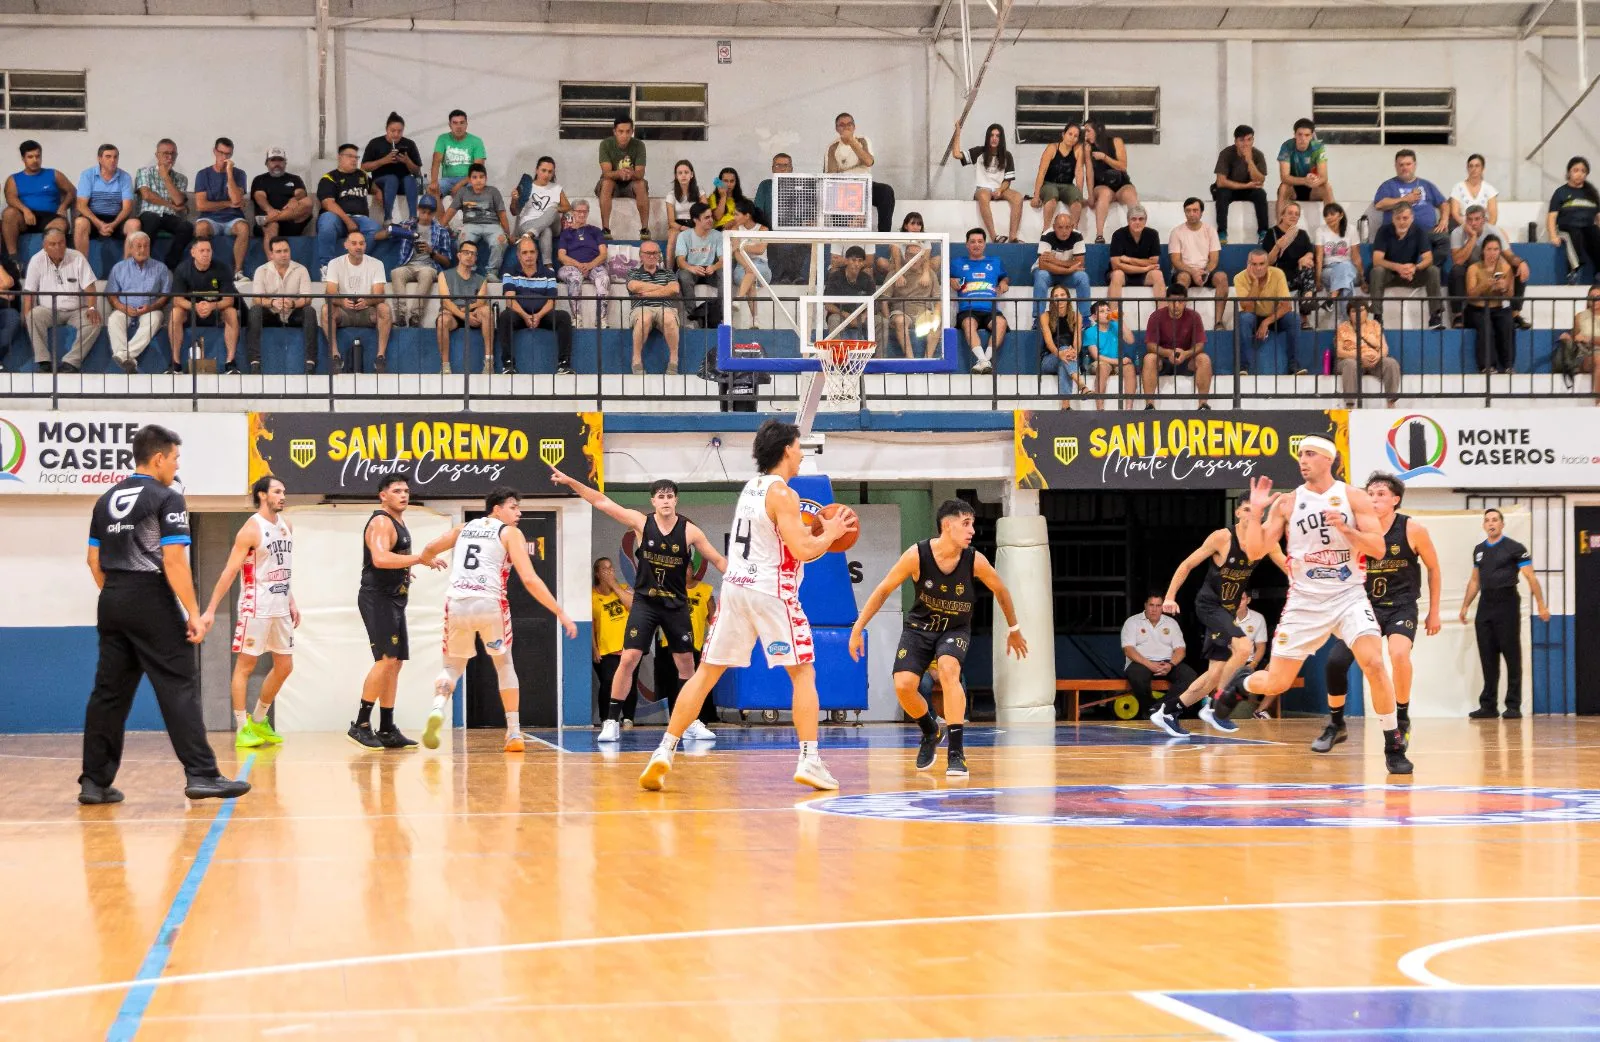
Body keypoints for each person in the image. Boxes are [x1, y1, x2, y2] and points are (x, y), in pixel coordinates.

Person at [638, 419, 856, 791]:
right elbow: (803, 551)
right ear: (787, 449)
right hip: (772, 591)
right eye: (800, 446)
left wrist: (813, 527)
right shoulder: (783, 494)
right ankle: (810, 759)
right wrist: (832, 533)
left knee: (706, 674)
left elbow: (785, 538)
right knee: (803, 673)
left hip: (736, 589)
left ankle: (664, 750)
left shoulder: (752, 488)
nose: (802, 453)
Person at [1217, 442, 1413, 774]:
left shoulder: (1354, 498)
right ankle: (1242, 685)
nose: (1302, 461)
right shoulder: (1288, 502)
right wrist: (1258, 513)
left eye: (1309, 455)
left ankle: (1393, 744)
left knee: (1375, 664)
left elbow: (1379, 548)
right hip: (1305, 602)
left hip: (1348, 595)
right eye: (1300, 456)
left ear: (1329, 459)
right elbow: (1253, 551)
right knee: (1276, 683)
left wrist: (1346, 529)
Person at [79, 424, 251, 804]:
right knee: (178, 686)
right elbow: (173, 562)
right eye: (174, 459)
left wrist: (117, 596)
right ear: (158, 459)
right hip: (150, 596)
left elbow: (93, 561)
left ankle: (94, 783)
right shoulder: (167, 497)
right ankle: (203, 775)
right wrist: (193, 612)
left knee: (109, 694)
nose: (176, 466)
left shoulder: (104, 500)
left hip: (112, 598)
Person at [547, 468, 727, 744]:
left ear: (676, 500)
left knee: (687, 665)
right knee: (628, 658)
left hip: (676, 606)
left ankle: (691, 721)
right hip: (646, 603)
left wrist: (745, 581)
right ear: (653, 501)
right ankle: (611, 721)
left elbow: (717, 559)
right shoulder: (641, 523)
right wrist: (572, 479)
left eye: (670, 496)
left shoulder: (690, 531)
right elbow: (601, 502)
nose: (665, 500)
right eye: (660, 496)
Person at [849, 498, 1027, 776]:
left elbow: (1001, 591)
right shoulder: (917, 555)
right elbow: (883, 590)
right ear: (947, 525)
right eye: (966, 524)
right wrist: (857, 628)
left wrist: (1014, 629)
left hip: (955, 629)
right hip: (920, 627)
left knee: (948, 669)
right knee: (904, 685)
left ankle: (956, 752)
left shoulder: (974, 560)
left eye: (973, 524)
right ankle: (930, 730)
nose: (972, 531)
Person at [420, 487, 578, 754]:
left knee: (452, 667)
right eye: (513, 507)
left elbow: (428, 549)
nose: (519, 512)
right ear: (496, 509)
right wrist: (560, 613)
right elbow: (529, 578)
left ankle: (437, 707)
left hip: (456, 603)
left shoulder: (463, 528)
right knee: (504, 664)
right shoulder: (509, 533)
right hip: (489, 603)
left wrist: (428, 560)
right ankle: (514, 731)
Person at [1319, 472, 1442, 750]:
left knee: (1398, 654)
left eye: (1381, 494)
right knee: (1336, 662)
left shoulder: (1412, 529)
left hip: (1401, 605)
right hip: (1364, 607)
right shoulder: (1356, 528)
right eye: (1370, 494)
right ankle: (1336, 722)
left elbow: (1434, 568)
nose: (1374, 499)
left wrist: (1434, 611)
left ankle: (1402, 715)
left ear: (1395, 500)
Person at [1149, 505, 1285, 737]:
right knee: (1244, 647)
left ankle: (1169, 711)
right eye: (1248, 509)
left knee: (1214, 674)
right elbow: (1187, 564)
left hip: (1228, 612)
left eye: (1259, 510)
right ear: (1239, 513)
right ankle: (1217, 706)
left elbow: (1288, 566)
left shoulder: (1267, 541)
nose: (1254, 514)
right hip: (1210, 605)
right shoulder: (1222, 537)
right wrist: (1170, 597)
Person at [199, 474, 299, 749]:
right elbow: (230, 571)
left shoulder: (286, 525)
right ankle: (243, 727)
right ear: (263, 495)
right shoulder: (250, 529)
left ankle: (259, 719)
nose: (282, 496)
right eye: (277, 491)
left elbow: (282, 567)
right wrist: (209, 610)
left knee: (285, 665)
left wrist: (291, 601)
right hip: (255, 606)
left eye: (284, 491)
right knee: (246, 665)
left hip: (279, 606)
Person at [350, 474, 445, 750]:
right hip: (377, 599)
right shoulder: (381, 521)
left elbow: (392, 558)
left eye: (406, 490)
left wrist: (406, 570)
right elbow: (380, 559)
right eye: (396, 491)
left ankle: (387, 727)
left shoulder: (399, 521)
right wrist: (420, 558)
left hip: (394, 598)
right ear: (383, 496)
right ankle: (360, 724)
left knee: (396, 662)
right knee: (386, 659)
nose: (404, 494)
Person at [1460, 508, 1550, 719]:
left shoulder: (1514, 548)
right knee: (1487, 656)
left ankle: (1513, 705)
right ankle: (1488, 705)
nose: (1491, 523)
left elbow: (1531, 578)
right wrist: (1465, 606)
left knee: (1511, 655)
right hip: (1485, 605)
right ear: (1484, 525)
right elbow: (1475, 580)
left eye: (1495, 520)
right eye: (1487, 520)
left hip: (1507, 603)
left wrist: (1541, 604)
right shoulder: (1479, 550)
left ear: (1502, 524)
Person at [23, 226, 101, 373]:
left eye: (61, 243)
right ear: (44, 246)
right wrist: (26, 315)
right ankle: (44, 361)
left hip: (77, 310)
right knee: (32, 315)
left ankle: (71, 362)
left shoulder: (77, 257)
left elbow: (90, 287)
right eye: (53, 244)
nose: (58, 247)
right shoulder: (36, 260)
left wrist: (92, 308)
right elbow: (30, 292)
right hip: (48, 310)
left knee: (94, 322)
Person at [653, 571, 721, 733]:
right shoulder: (669, 589)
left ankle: (699, 719)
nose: (686, 571)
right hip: (671, 644)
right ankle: (676, 720)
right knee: (673, 685)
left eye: (688, 567)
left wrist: (714, 640)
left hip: (695, 645)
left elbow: (713, 619)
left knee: (697, 685)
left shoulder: (705, 590)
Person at [500, 235, 574, 376]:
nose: (529, 256)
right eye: (525, 252)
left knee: (564, 317)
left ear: (537, 253)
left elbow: (552, 300)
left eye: (532, 252)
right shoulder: (509, 272)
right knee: (505, 316)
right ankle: (508, 364)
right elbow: (509, 299)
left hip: (542, 315)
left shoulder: (548, 274)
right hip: (520, 315)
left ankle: (563, 364)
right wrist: (525, 316)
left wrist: (538, 316)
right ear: (518, 255)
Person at [1449, 205, 1530, 331]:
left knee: (1518, 268)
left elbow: (1509, 255)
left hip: (1491, 268)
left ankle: (1515, 314)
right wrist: (1472, 238)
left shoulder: (1494, 231)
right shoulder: (1457, 233)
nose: (1473, 223)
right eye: (1469, 219)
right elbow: (1458, 260)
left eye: (1477, 219)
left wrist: (1522, 263)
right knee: (1456, 271)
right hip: (1469, 269)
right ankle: (1458, 315)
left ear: (1484, 219)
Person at [167, 237, 240, 373]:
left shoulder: (222, 268)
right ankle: (175, 363)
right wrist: (196, 307)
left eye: (208, 250)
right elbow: (177, 300)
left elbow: (229, 300)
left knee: (231, 312)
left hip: (215, 311)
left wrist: (211, 306)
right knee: (175, 313)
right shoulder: (183, 269)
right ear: (193, 252)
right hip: (191, 312)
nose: (206, 254)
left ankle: (230, 363)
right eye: (202, 250)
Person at [247, 235, 318, 375]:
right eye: (279, 252)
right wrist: (272, 302)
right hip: (271, 313)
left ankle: (311, 361)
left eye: (286, 251)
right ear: (271, 254)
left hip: (293, 313)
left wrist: (293, 303)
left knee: (309, 311)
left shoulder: (301, 269)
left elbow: (307, 298)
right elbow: (257, 298)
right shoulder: (261, 270)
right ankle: (254, 362)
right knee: (255, 310)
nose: (283, 255)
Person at [323, 229, 391, 373]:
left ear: (365, 246)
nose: (358, 247)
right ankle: (335, 356)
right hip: (344, 311)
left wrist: (366, 302)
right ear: (346, 245)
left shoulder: (376, 264)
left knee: (384, 309)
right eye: (354, 243)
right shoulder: (334, 263)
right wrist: (342, 302)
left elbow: (379, 294)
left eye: (361, 243)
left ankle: (380, 357)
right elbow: (330, 291)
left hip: (368, 311)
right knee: (325, 309)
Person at [1369, 202, 1445, 331]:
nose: (1402, 222)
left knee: (1433, 270)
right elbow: (1377, 260)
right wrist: (1398, 267)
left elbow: (1428, 259)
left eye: (1405, 218)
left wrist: (1414, 268)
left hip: (1411, 274)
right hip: (1390, 275)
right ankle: (1377, 317)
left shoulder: (1419, 232)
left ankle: (1435, 316)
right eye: (1398, 218)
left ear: (1412, 218)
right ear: (1393, 218)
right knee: (1377, 271)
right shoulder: (1384, 231)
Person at [1121, 593, 1199, 717]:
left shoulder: (1171, 623)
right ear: (1145, 605)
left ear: (1162, 607)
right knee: (1137, 676)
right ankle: (1150, 710)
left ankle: (1159, 708)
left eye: (1158, 605)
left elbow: (1180, 650)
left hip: (1167, 662)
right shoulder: (1132, 622)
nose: (1154, 609)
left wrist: (1171, 664)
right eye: (1151, 605)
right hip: (1141, 662)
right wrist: (1149, 664)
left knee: (1190, 676)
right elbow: (1129, 650)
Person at [103, 231, 171, 374]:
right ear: (131, 248)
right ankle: (127, 358)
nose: (142, 250)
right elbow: (111, 294)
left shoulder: (161, 268)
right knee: (114, 319)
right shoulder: (119, 268)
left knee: (155, 318)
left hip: (150, 309)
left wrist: (150, 307)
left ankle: (124, 356)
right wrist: (122, 307)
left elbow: (165, 296)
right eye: (138, 246)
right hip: (124, 308)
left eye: (145, 246)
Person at [314, 143, 385, 277]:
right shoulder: (329, 178)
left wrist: (378, 191)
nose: (354, 160)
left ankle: (353, 264)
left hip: (360, 219)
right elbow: (328, 204)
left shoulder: (362, 176)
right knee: (327, 221)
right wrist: (348, 221)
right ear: (340, 158)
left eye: (356, 157)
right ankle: (327, 267)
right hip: (338, 219)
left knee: (375, 229)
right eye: (350, 156)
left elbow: (373, 186)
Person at [1375, 149, 1449, 273]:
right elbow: (1379, 204)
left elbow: (1444, 203)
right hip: (1398, 233)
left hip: (1425, 233)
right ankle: (1412, 270)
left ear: (1415, 165)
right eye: (1401, 165)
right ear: (1396, 166)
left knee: (1444, 239)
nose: (1404, 168)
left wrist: (1444, 219)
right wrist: (1404, 199)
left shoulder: (1426, 185)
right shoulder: (1388, 185)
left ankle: (1422, 270)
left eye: (1408, 164)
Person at [1232, 248, 1302, 376]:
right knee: (1244, 318)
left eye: (1262, 264)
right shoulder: (1239, 278)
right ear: (1248, 264)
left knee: (1294, 318)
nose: (1258, 268)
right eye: (1254, 264)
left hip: (1273, 317)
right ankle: (1243, 367)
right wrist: (1255, 283)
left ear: (1267, 264)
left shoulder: (1278, 274)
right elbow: (1248, 308)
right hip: (1252, 316)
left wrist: (1266, 322)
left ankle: (1294, 366)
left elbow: (1287, 306)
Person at [1142, 286, 1213, 409]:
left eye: (1180, 301)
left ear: (1185, 301)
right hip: (1163, 360)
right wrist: (1168, 353)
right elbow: (1150, 345)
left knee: (1204, 359)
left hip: (1186, 359)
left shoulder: (1194, 316)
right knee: (1149, 358)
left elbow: (1200, 344)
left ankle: (1203, 404)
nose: (1176, 305)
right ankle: (1149, 405)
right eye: (1172, 301)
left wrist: (1186, 353)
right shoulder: (1156, 316)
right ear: (1167, 301)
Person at [2, 139, 75, 258]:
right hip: (25, 218)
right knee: (8, 213)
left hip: (51, 217)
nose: (35, 160)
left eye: (38, 156)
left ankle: (48, 262)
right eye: (30, 157)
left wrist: (63, 207)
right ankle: (13, 259)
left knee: (58, 225)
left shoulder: (53, 174)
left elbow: (72, 191)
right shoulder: (14, 179)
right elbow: (10, 198)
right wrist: (25, 210)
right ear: (23, 158)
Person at [389, 197, 454, 328]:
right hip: (407, 265)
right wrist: (397, 230)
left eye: (430, 213)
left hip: (429, 266)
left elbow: (447, 263)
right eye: (423, 212)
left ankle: (415, 316)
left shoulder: (441, 231)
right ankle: (400, 316)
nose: (425, 216)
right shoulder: (408, 225)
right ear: (418, 210)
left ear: (434, 213)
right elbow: (380, 235)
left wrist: (431, 252)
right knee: (396, 272)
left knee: (426, 274)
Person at [824, 112, 894, 233]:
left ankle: (884, 234)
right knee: (833, 194)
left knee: (886, 191)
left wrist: (851, 141)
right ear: (836, 129)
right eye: (842, 125)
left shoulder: (862, 140)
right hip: (844, 187)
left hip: (865, 184)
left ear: (854, 127)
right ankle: (841, 236)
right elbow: (831, 175)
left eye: (849, 124)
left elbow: (868, 161)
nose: (846, 127)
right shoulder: (832, 147)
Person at [192, 137, 250, 280]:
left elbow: (236, 199)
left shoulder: (239, 174)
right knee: (201, 228)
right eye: (221, 153)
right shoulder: (203, 174)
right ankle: (203, 269)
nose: (224, 157)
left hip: (233, 218)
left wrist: (229, 174)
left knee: (243, 228)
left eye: (228, 154)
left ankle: (238, 272)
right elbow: (201, 205)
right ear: (214, 151)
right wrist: (228, 204)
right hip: (210, 219)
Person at [951, 227, 1008, 375]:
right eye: (973, 242)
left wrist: (1003, 282)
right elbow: (946, 277)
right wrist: (951, 280)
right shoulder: (957, 263)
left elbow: (1004, 277)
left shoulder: (995, 262)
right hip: (968, 309)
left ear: (984, 244)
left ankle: (984, 361)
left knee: (1001, 323)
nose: (976, 244)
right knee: (969, 324)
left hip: (991, 309)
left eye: (980, 241)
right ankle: (984, 361)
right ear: (967, 244)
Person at [954, 123, 1022, 243]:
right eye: (991, 135)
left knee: (1018, 197)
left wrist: (1000, 190)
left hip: (999, 188)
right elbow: (956, 154)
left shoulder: (1007, 155)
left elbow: (1007, 180)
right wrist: (958, 132)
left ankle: (1013, 237)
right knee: (983, 195)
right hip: (982, 188)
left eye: (997, 136)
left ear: (1001, 139)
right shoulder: (980, 151)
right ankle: (994, 236)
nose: (994, 138)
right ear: (987, 137)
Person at [1168, 197, 1228, 329]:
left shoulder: (1210, 230)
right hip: (1184, 271)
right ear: (1184, 212)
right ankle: (1180, 322)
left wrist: (1205, 273)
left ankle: (1218, 322)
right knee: (1183, 278)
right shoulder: (1176, 232)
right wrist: (1193, 272)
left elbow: (1214, 259)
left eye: (1195, 210)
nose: (1191, 213)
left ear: (1201, 212)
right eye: (1188, 210)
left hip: (1205, 270)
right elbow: (1176, 261)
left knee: (1222, 278)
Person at [591, 558, 638, 727]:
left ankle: (628, 717)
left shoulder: (624, 589)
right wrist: (594, 648)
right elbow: (591, 625)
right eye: (604, 569)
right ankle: (607, 719)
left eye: (611, 568)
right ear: (597, 573)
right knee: (608, 683)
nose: (609, 571)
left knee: (629, 683)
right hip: (605, 648)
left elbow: (633, 606)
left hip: (628, 646)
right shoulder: (592, 596)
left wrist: (614, 585)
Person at [133, 139, 194, 269]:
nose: (170, 157)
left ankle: (169, 266)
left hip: (169, 216)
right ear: (157, 155)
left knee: (187, 227)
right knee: (153, 219)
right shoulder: (144, 172)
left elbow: (178, 200)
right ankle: (144, 263)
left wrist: (165, 176)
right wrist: (171, 205)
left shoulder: (181, 178)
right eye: (166, 153)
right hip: (148, 213)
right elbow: (147, 195)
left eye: (173, 154)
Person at [435, 239, 493, 375]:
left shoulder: (481, 279)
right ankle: (445, 366)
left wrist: (466, 310)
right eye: (466, 252)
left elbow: (480, 301)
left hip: (473, 313)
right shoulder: (444, 275)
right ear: (459, 255)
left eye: (473, 254)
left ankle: (489, 362)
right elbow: (446, 302)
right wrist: (463, 315)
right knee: (443, 320)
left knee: (486, 311)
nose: (469, 256)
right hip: (452, 314)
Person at [74, 143, 139, 261]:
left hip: (116, 218)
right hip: (93, 218)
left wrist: (113, 225)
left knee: (134, 224)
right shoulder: (88, 175)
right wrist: (99, 224)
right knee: (80, 223)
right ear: (99, 159)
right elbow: (81, 205)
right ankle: (81, 270)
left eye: (115, 157)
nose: (113, 160)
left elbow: (127, 208)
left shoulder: (125, 177)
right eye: (108, 157)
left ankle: (126, 270)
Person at [626, 239, 681, 375]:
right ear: (641, 256)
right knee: (645, 317)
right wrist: (663, 289)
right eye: (648, 253)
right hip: (641, 309)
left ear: (659, 255)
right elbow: (633, 286)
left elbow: (674, 289)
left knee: (669, 318)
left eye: (655, 253)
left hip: (665, 308)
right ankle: (636, 359)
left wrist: (646, 293)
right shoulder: (633, 272)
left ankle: (674, 360)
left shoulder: (668, 272)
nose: (652, 256)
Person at [444, 163, 509, 274]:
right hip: (470, 225)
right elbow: (450, 212)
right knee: (463, 241)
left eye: (481, 177)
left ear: (486, 178)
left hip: (492, 225)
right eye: (474, 177)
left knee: (500, 241)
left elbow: (502, 214)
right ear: (469, 179)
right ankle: (469, 270)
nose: (478, 180)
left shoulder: (493, 191)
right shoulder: (463, 192)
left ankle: (492, 272)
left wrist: (507, 233)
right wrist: (441, 225)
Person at [1466, 235, 1518, 374]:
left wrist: (1504, 288)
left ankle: (1508, 364)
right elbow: (1470, 295)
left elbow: (1510, 295)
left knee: (1508, 324)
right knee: (1486, 327)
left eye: (1496, 249)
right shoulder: (1474, 268)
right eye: (1489, 249)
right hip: (1478, 309)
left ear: (1500, 251)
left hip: (1499, 308)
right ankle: (1487, 365)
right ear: (1483, 251)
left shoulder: (1506, 268)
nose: (1492, 253)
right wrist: (1483, 285)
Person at [1335, 296, 1399, 407]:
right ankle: (1350, 405)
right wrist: (1359, 356)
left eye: (1361, 310)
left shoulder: (1375, 325)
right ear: (1349, 314)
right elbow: (1340, 352)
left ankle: (1391, 403)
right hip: (1352, 361)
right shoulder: (1343, 327)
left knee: (1391, 363)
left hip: (1374, 361)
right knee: (1350, 364)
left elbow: (1384, 348)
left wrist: (1378, 357)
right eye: (1354, 311)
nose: (1358, 314)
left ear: (1367, 312)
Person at [887, 227, 941, 359]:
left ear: (923, 258)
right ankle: (911, 361)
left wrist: (937, 316)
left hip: (923, 313)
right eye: (911, 255)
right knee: (900, 321)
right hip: (902, 312)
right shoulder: (895, 274)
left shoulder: (931, 274)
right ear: (905, 256)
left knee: (937, 323)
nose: (914, 259)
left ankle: (927, 361)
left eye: (918, 256)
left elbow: (938, 299)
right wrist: (887, 318)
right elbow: (883, 299)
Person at [556, 199, 610, 328]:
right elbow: (561, 256)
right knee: (574, 278)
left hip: (594, 265)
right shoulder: (566, 233)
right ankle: (576, 318)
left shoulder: (595, 231)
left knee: (604, 278)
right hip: (571, 266)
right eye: (579, 211)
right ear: (573, 213)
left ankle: (601, 319)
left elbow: (603, 254)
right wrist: (578, 265)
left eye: (585, 212)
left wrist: (590, 265)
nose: (582, 214)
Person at [1212, 124, 1270, 244]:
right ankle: (1222, 233)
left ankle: (1263, 232)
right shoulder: (1226, 153)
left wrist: (1250, 161)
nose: (1246, 143)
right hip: (1229, 189)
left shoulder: (1258, 155)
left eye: (1249, 139)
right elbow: (1221, 182)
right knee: (1221, 193)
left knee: (1261, 194)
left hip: (1249, 190)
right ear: (1236, 141)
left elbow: (1260, 180)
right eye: (1242, 140)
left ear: (1253, 140)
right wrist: (1246, 185)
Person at [1083, 120, 1137, 244]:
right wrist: (1090, 195)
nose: (1085, 134)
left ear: (1098, 130)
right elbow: (1089, 172)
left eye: (1088, 131)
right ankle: (1099, 235)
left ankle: (1137, 231)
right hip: (1101, 185)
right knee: (1105, 194)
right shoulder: (1087, 147)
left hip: (1121, 183)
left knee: (1131, 195)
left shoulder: (1116, 141)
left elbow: (1123, 166)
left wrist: (1104, 157)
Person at [362, 113, 423, 223]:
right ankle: (388, 218)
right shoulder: (375, 143)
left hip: (403, 183)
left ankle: (413, 217)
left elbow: (417, 171)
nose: (396, 134)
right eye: (393, 130)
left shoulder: (409, 144)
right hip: (382, 182)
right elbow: (364, 167)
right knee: (391, 178)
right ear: (386, 129)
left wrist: (407, 160)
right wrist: (384, 160)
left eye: (400, 131)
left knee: (410, 179)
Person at [1548, 156, 1600, 284]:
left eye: (1583, 171)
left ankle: (1598, 272)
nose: (1579, 174)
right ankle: (1575, 269)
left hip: (1587, 227)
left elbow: (1598, 216)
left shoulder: (1591, 193)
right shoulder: (1561, 192)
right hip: (1567, 228)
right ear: (1569, 173)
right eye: (1576, 170)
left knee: (1595, 234)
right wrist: (1553, 235)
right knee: (1575, 233)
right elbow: (1552, 217)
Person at [509, 156, 569, 266]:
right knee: (545, 230)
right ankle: (548, 266)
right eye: (544, 170)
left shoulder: (557, 188)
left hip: (552, 223)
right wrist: (514, 200)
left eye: (550, 172)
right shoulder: (527, 186)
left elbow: (567, 207)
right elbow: (514, 212)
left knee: (552, 209)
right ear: (537, 170)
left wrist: (556, 209)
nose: (547, 174)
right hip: (528, 224)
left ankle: (530, 234)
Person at [597, 116, 650, 240]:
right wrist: (619, 173)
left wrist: (631, 174)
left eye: (628, 132)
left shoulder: (639, 145)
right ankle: (605, 229)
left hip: (631, 184)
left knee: (641, 183)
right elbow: (606, 173)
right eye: (621, 131)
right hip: (612, 184)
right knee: (607, 182)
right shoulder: (605, 144)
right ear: (614, 131)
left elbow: (640, 173)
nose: (624, 135)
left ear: (632, 132)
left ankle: (645, 229)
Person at [1031, 210, 1091, 319]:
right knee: (1041, 275)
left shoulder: (1077, 236)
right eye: (1060, 227)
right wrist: (1068, 269)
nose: (1064, 231)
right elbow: (1043, 265)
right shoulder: (1047, 235)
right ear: (1054, 227)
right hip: (1049, 273)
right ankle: (1038, 318)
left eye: (1068, 227)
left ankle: (1085, 318)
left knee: (1083, 277)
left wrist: (1055, 261)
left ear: (1072, 227)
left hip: (1066, 274)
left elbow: (1080, 263)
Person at [1107, 204, 1165, 313]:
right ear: (1128, 221)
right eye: (1133, 219)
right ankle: (1114, 317)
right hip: (1123, 274)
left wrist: (1129, 260)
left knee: (1158, 274)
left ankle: (1161, 315)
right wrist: (1145, 268)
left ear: (1145, 221)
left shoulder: (1152, 234)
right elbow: (1116, 265)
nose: (1137, 222)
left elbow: (1154, 261)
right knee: (1117, 274)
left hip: (1144, 275)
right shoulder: (1118, 234)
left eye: (1141, 219)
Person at [1262, 200, 1316, 315]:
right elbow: (1268, 262)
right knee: (1307, 275)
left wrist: (1305, 257)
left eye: (1297, 214)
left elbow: (1310, 252)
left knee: (1308, 267)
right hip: (1279, 277)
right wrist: (1277, 246)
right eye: (1290, 213)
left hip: (1297, 274)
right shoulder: (1272, 233)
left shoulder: (1302, 234)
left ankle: (1306, 303)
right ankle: (1304, 312)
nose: (1293, 216)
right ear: (1282, 215)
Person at [1030, 123, 1086, 232]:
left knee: (1076, 201)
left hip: (1067, 185)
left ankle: (1074, 230)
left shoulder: (1078, 150)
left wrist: (1080, 194)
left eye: (1075, 136)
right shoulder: (1052, 148)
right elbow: (1041, 172)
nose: (1072, 138)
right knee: (1052, 196)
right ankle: (1046, 230)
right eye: (1070, 134)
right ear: (1063, 134)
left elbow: (1079, 173)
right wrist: (1036, 196)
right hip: (1049, 184)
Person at [674, 202, 723, 326]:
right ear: (696, 220)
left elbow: (723, 259)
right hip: (692, 267)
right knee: (684, 275)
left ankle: (722, 314)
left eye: (711, 216)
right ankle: (692, 315)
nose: (711, 220)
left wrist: (715, 266)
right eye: (707, 217)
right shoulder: (684, 236)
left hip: (710, 268)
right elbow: (680, 261)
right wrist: (691, 268)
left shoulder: (717, 235)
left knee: (724, 273)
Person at [250, 147, 313, 242]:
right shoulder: (260, 179)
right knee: (273, 225)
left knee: (308, 201)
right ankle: (272, 257)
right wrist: (270, 210)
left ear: (285, 163)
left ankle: (268, 219)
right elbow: (259, 196)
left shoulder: (295, 178)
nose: (277, 164)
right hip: (269, 222)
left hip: (291, 221)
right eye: (273, 160)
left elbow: (301, 193)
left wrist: (294, 199)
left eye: (280, 160)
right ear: (266, 163)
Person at [1082, 298, 1136, 409]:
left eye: (1107, 310)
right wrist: (1119, 361)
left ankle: (1129, 408)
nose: (1106, 313)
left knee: (1129, 368)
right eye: (1101, 311)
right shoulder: (1090, 331)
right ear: (1094, 317)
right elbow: (1096, 356)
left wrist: (1120, 321)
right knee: (1103, 367)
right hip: (1100, 362)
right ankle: (1100, 408)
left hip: (1117, 362)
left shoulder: (1115, 326)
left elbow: (1130, 340)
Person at [1037, 285, 1084, 408]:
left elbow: (1077, 339)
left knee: (1065, 361)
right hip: (1049, 359)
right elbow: (1049, 342)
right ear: (1052, 300)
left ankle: (1065, 407)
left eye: (1062, 295)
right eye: (1056, 296)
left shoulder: (1076, 316)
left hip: (1068, 358)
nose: (1059, 298)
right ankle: (1081, 384)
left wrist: (1074, 352)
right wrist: (1060, 353)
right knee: (1063, 352)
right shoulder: (1045, 316)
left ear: (1068, 297)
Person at [429, 109, 486, 205]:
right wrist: (434, 182)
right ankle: (441, 220)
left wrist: (459, 185)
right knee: (432, 193)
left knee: (475, 187)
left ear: (466, 124)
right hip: (447, 179)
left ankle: (470, 218)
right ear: (450, 125)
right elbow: (436, 162)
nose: (458, 126)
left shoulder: (476, 141)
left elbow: (478, 170)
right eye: (455, 123)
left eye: (462, 123)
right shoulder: (442, 139)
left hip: (469, 179)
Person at [1277, 118, 1333, 212]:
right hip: (1293, 189)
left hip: (1312, 189)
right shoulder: (1287, 146)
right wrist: (1304, 180)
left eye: (1307, 135)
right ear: (1294, 134)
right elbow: (1284, 177)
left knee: (1327, 187)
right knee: (1283, 187)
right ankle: (1279, 225)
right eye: (1300, 134)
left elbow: (1324, 177)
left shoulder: (1318, 147)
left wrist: (1314, 181)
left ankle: (1334, 224)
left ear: (1311, 136)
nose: (1303, 139)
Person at [1555, 285, 1600, 399]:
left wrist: (1589, 338)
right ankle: (1598, 402)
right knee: (1598, 360)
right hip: (1586, 355)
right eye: (1592, 297)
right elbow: (1576, 338)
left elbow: (1585, 338)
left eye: (1598, 297)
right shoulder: (1580, 316)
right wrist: (1568, 338)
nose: (1595, 300)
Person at [822, 245, 875, 341]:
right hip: (841, 316)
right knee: (834, 319)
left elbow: (874, 303)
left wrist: (864, 315)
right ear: (846, 261)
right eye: (853, 260)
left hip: (860, 317)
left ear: (863, 263)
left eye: (860, 261)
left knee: (880, 321)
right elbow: (828, 305)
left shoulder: (867, 279)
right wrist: (845, 315)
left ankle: (878, 356)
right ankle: (837, 353)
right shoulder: (835, 277)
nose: (856, 264)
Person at [1315, 202, 1364, 301]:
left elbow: (1356, 257)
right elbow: (1319, 258)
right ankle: (1346, 315)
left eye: (1332, 214)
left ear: (1341, 215)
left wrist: (1363, 279)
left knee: (1345, 266)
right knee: (1346, 279)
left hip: (1350, 268)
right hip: (1328, 270)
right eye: (1326, 215)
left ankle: (1333, 295)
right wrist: (1318, 280)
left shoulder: (1351, 230)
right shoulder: (1320, 231)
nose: (1328, 217)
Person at [665, 160, 703, 268]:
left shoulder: (700, 192)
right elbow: (671, 221)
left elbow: (705, 213)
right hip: (678, 225)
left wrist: (696, 227)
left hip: (696, 223)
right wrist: (682, 228)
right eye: (680, 173)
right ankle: (669, 271)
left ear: (692, 174)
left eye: (686, 172)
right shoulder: (671, 195)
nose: (683, 175)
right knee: (673, 236)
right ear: (676, 176)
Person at [1449, 153, 1499, 227]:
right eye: (1471, 166)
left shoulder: (1489, 189)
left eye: (1477, 166)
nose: (1474, 169)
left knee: (1502, 234)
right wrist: (1468, 228)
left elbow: (1493, 216)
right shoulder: (1458, 187)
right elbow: (1455, 213)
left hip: (1484, 228)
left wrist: (1485, 231)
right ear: (1467, 168)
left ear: (1482, 168)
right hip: (1463, 227)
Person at [702, 166, 747, 230]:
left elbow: (746, 218)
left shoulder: (742, 199)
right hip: (721, 229)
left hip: (738, 227)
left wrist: (734, 222)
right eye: (725, 181)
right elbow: (717, 217)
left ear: (736, 183)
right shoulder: (713, 197)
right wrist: (723, 196)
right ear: (720, 182)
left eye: (732, 181)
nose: (728, 184)